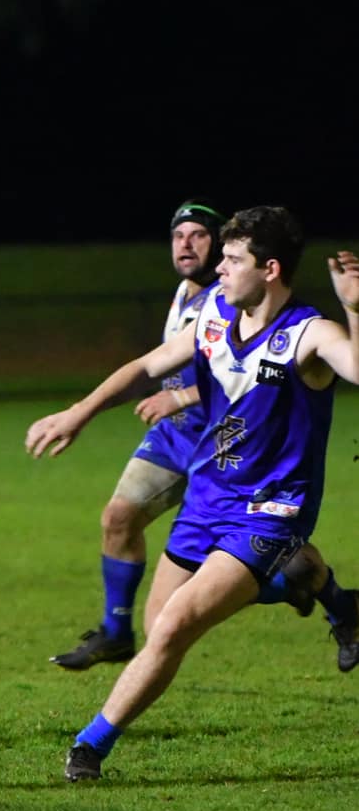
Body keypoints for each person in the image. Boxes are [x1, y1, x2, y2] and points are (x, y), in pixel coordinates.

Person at [25, 207, 359, 781]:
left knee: (177, 623)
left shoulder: (308, 333)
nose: (220, 270)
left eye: (233, 260)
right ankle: (322, 589)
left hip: (270, 511)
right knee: (161, 632)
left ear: (271, 269)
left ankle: (90, 745)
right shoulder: (212, 316)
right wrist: (80, 413)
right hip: (207, 500)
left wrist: (354, 306)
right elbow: (147, 364)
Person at [49, 201, 225, 669]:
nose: (185, 244)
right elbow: (153, 367)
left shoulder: (232, 299)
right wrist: (81, 410)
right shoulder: (186, 292)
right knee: (119, 518)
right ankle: (114, 631)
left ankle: (331, 596)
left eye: (198, 235)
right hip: (176, 435)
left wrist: (183, 396)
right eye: (178, 235)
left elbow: (244, 375)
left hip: (223, 441)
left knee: (256, 556)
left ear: (221, 243)